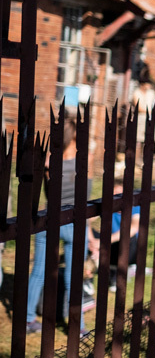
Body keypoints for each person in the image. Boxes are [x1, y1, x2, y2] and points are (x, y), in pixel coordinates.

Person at [26, 118, 89, 333]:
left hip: (49, 219)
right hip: (74, 221)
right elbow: (85, 195)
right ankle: (78, 327)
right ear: (75, 137)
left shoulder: (48, 162)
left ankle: (28, 319)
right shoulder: (84, 160)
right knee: (74, 277)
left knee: (39, 271)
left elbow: (46, 191)